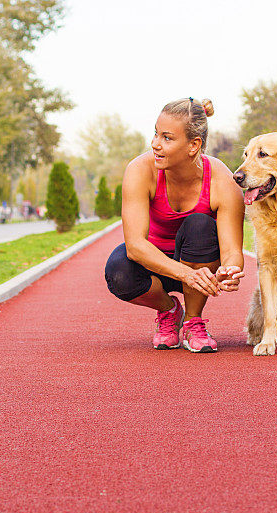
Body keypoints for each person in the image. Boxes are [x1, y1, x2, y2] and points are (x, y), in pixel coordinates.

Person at [104, 97, 245, 353]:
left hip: (199, 263)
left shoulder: (223, 182)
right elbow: (135, 246)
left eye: (167, 138)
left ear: (194, 145)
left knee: (200, 225)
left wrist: (230, 270)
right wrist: (185, 274)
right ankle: (169, 311)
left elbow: (233, 251)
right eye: (155, 134)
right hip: (156, 265)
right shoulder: (139, 170)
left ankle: (193, 321)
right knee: (118, 271)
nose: (155, 144)